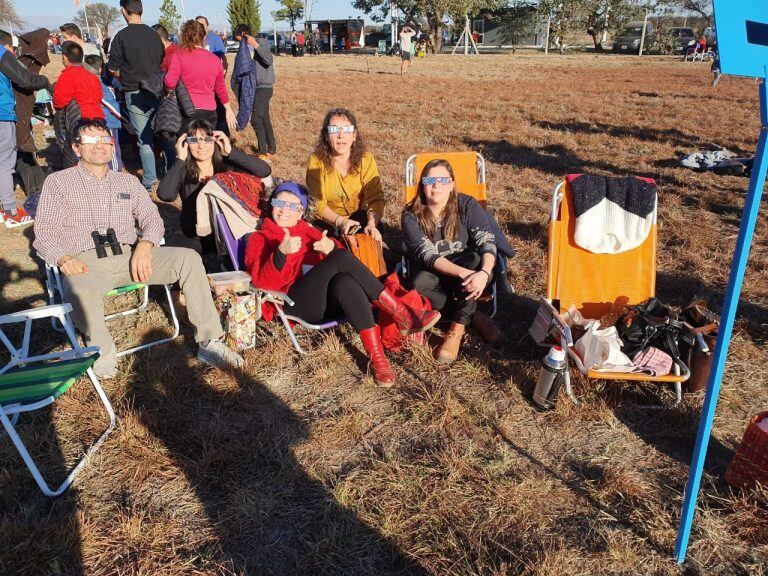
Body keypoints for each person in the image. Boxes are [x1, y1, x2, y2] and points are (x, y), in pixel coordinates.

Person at [33, 118, 244, 378]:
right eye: (90, 141)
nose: (99, 146)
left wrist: (145, 244)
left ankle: (209, 342)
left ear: (112, 146)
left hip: (130, 255)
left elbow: (151, 219)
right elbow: (43, 232)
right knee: (78, 286)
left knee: (187, 259)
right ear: (76, 148)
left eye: (104, 140)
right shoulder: (59, 183)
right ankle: (103, 351)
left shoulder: (128, 183)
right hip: (85, 262)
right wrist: (63, 258)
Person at [245, 182, 440, 386]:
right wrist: (280, 254)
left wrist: (330, 247)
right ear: (271, 204)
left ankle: (377, 359)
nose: (284, 209)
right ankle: (401, 313)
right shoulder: (259, 239)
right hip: (293, 303)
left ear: (301, 211)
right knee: (340, 257)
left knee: (344, 281)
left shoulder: (307, 230)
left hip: (326, 301)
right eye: (279, 202)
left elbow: (341, 259)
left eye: (292, 206)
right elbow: (261, 283)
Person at [402, 159, 500, 364]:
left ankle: (456, 329)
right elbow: (426, 255)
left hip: (470, 272)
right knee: (418, 283)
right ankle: (473, 317)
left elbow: (487, 241)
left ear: (452, 184)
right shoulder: (410, 214)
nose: (436, 185)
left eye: (442, 180)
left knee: (476, 259)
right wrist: (463, 273)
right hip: (436, 271)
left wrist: (483, 273)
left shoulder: (467, 204)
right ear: (422, 184)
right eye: (430, 180)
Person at [157, 118, 271, 269]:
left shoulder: (227, 166)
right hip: (194, 234)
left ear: (215, 140)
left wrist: (231, 151)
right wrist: (180, 158)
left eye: (207, 139)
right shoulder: (183, 170)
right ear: (185, 142)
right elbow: (165, 195)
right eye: (194, 140)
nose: (202, 145)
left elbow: (264, 170)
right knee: (170, 260)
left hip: (228, 234)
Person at [107, 0, 165, 190]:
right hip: (158, 90)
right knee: (165, 134)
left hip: (134, 92)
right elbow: (161, 61)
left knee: (144, 138)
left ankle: (149, 179)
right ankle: (170, 170)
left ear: (123, 11)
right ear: (141, 10)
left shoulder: (121, 36)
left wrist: (124, 76)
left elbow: (113, 68)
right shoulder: (154, 35)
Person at [305, 108, 384, 241]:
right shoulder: (316, 161)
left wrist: (371, 224)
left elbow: (375, 198)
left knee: (371, 236)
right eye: (334, 130)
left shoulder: (366, 159)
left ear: (354, 135)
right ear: (325, 136)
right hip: (327, 220)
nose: (340, 135)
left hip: (356, 218)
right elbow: (318, 202)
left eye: (346, 130)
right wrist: (340, 222)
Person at [0, 28, 49, 228]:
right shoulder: (2, 53)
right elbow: (24, 78)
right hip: (2, 115)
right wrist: (44, 81)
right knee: (4, 163)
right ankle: (10, 211)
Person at [164, 20, 237, 133]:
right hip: (209, 111)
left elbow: (169, 82)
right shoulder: (214, 59)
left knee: (188, 144)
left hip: (186, 109)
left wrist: (168, 92)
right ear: (203, 37)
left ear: (184, 36)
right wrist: (228, 110)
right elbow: (220, 88)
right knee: (206, 144)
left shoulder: (179, 55)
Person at [13, 28, 50, 199]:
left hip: (22, 110)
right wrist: (45, 82)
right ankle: (34, 190)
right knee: (21, 152)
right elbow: (26, 81)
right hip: (16, 111)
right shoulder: (22, 62)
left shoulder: (25, 59)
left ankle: (38, 189)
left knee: (25, 152)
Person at [235, 26, 276, 158]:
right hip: (254, 88)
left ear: (244, 34)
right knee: (264, 118)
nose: (240, 44)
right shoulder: (244, 50)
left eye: (240, 40)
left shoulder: (261, 42)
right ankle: (272, 148)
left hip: (264, 87)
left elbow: (269, 60)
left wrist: (255, 45)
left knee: (256, 119)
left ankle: (262, 151)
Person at [84, 54, 125, 171]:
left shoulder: (86, 81)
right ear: (101, 69)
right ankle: (115, 172)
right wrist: (123, 117)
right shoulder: (99, 83)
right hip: (108, 122)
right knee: (112, 148)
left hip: (95, 122)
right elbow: (110, 103)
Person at [53, 42, 105, 121]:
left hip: (80, 120)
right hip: (99, 117)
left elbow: (59, 102)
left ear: (64, 57)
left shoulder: (66, 76)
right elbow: (99, 96)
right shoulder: (92, 75)